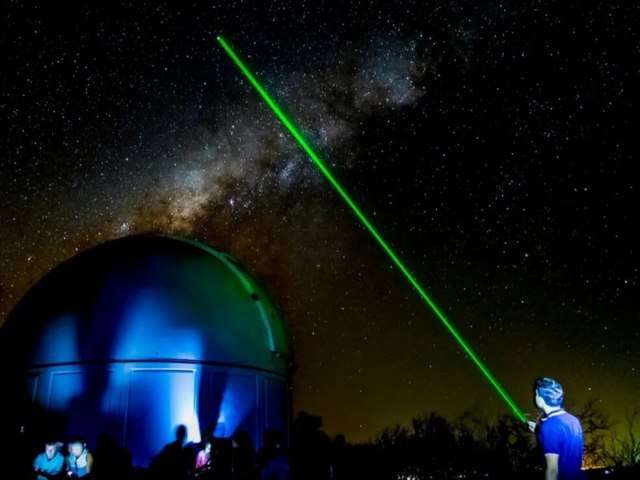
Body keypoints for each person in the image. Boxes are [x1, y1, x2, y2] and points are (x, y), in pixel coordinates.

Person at [527, 377, 586, 480]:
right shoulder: (573, 420)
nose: (534, 396)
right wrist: (539, 431)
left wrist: (544, 430)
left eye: (536, 394)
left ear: (541, 399)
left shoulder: (549, 426)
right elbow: (562, 442)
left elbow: (552, 470)